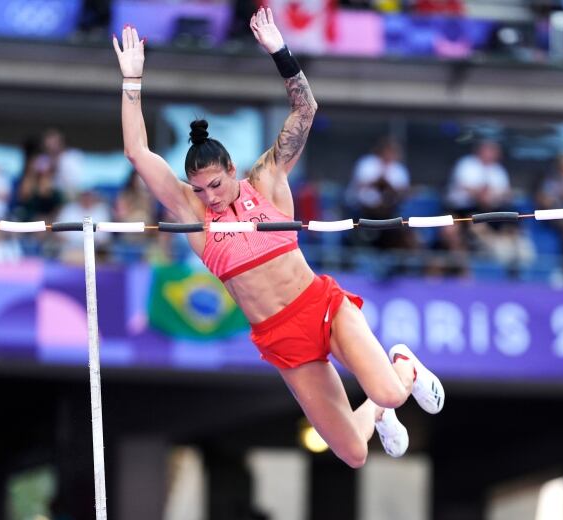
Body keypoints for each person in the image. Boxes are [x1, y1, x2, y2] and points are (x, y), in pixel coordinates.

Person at [112, 8, 445, 468]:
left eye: (215, 184)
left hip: (320, 306)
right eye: (199, 190)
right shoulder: (193, 215)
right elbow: (137, 152)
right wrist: (133, 82)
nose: (209, 196)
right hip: (280, 338)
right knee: (352, 453)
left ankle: (403, 363)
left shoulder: (266, 180)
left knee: (389, 388)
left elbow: (305, 110)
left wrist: (279, 52)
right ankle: (380, 415)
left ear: (231, 170)